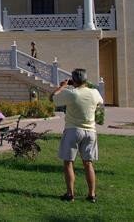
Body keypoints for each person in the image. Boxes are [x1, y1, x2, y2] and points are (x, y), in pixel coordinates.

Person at [50, 68, 104, 203]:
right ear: (85, 80)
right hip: (90, 131)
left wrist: (62, 86)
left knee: (68, 162)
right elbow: (100, 102)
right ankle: (92, 195)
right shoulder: (94, 92)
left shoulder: (71, 93)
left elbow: (53, 98)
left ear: (73, 80)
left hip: (73, 130)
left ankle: (70, 194)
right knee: (88, 163)